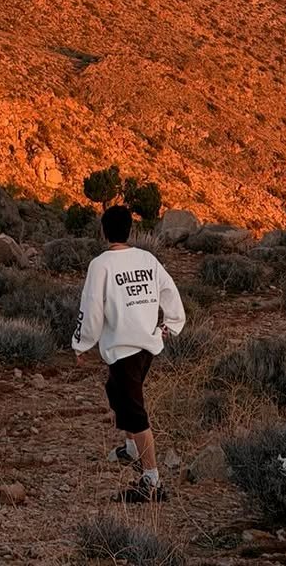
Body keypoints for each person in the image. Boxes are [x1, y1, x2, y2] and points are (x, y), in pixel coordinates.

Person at [72, 205, 186, 503]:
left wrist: (81, 343)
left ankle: (151, 481)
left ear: (103, 230)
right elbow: (169, 290)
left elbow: (92, 308)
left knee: (135, 413)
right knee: (116, 390)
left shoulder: (101, 265)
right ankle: (131, 448)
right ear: (130, 230)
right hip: (147, 346)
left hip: (124, 350)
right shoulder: (146, 258)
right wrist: (170, 326)